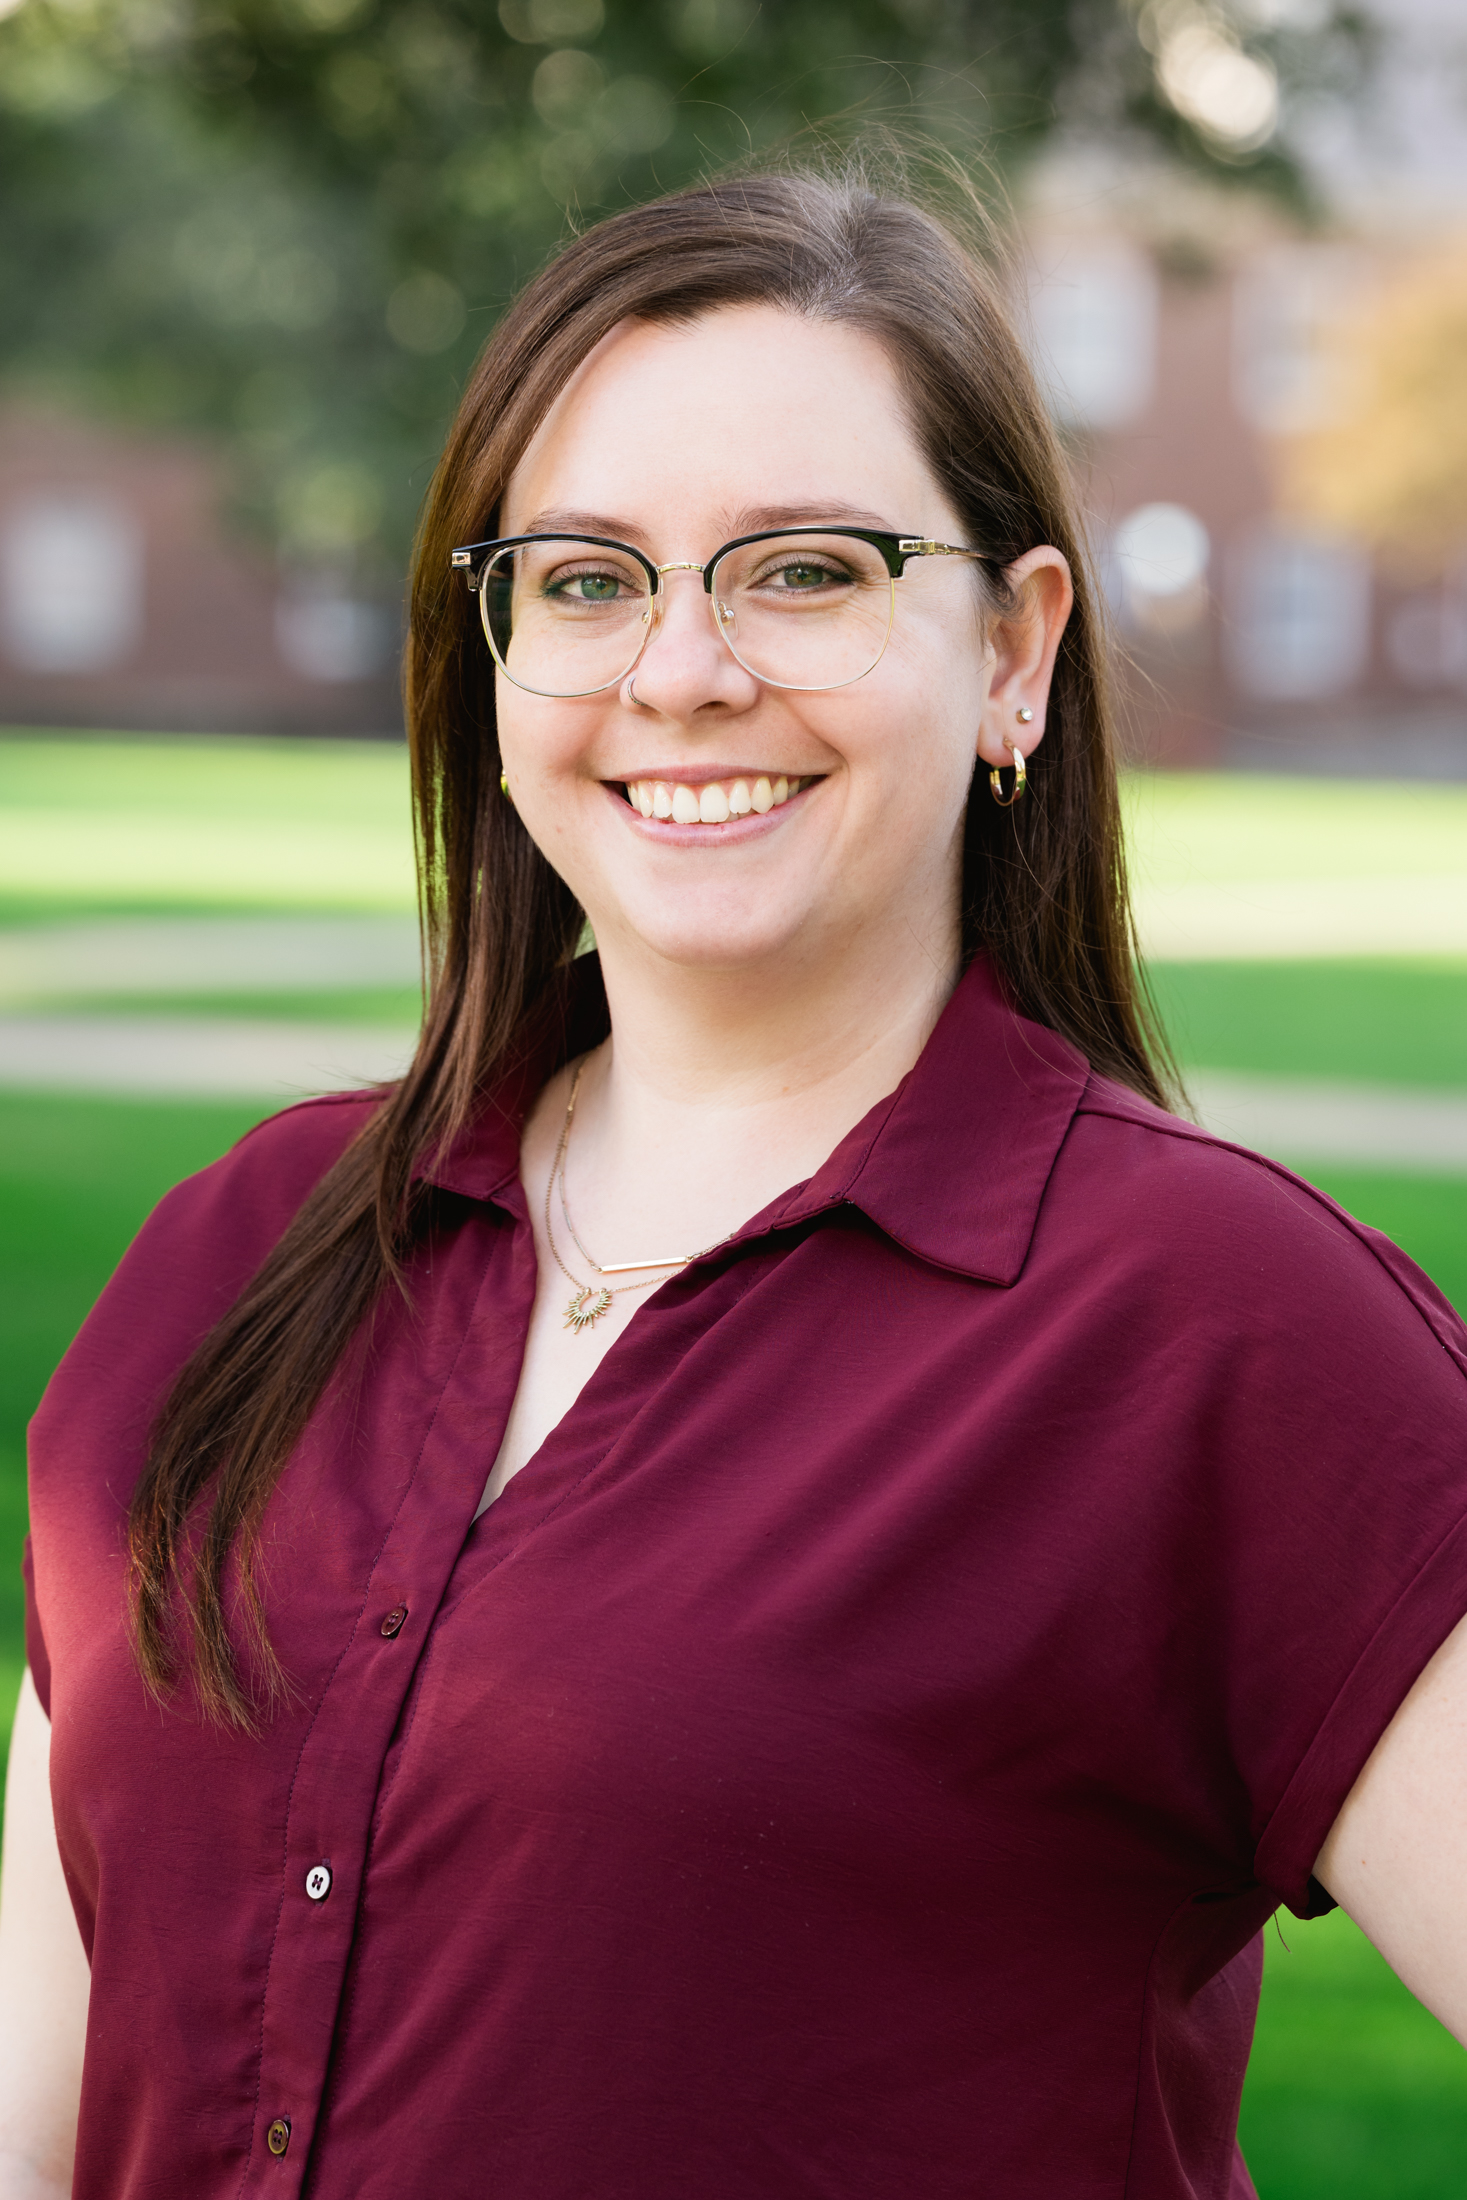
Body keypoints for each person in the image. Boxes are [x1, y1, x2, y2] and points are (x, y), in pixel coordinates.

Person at [3, 165, 1467, 2200]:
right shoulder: (233, 1257)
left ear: (1012, 655)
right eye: (586, 578)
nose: (678, 669)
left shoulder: (1219, 1328)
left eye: (800, 568)